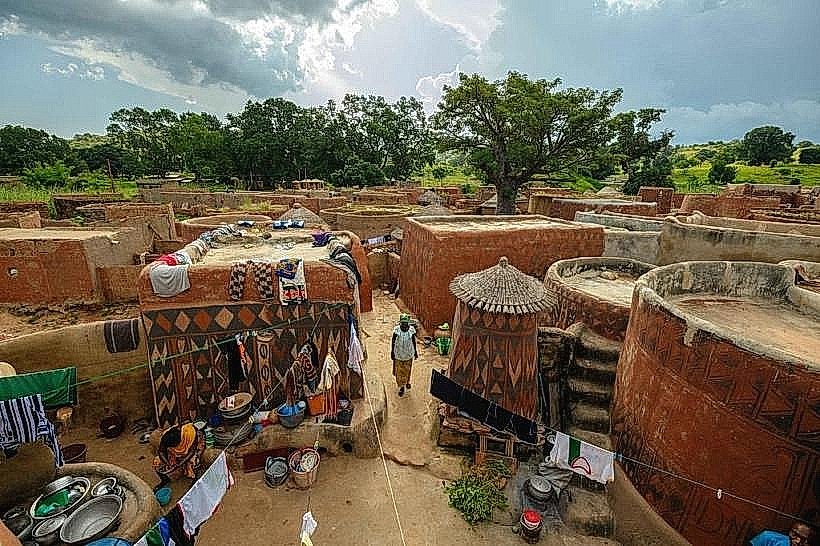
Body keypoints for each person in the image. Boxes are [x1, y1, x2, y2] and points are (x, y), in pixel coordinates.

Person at [152, 422, 206, 492]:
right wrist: (167, 463)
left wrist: (180, 463)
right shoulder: (166, 437)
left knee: (194, 462)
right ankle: (165, 480)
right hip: (174, 452)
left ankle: (195, 480)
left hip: (192, 448)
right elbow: (161, 451)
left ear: (180, 442)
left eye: (176, 446)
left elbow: (192, 451)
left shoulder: (190, 433)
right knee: (157, 463)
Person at [391, 314, 418, 397]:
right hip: (398, 353)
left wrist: (415, 352)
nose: (404, 324)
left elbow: (413, 341)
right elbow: (393, 341)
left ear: (408, 323)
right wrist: (392, 352)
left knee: (407, 369)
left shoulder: (411, 330)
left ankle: (407, 382)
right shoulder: (396, 330)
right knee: (399, 371)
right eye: (403, 323)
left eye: (406, 323)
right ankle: (402, 386)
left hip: (408, 353)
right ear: (400, 323)